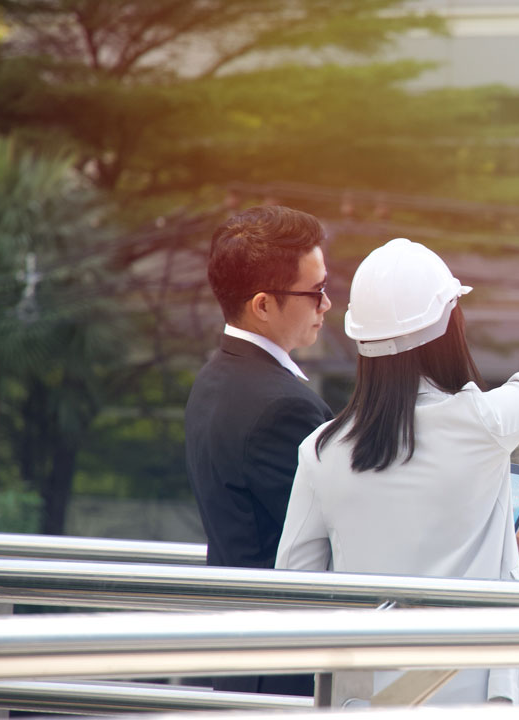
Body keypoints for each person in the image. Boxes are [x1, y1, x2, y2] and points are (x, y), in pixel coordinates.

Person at [274, 180, 519, 706]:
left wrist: (493, 545)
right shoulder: (481, 422)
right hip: (469, 695)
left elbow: (297, 588)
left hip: (360, 701)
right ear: (450, 322)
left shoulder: (320, 450)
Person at [184, 205, 334, 696]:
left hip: (240, 652)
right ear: (263, 305)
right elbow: (342, 529)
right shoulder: (282, 406)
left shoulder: (215, 378)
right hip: (281, 665)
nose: (326, 305)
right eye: (315, 293)